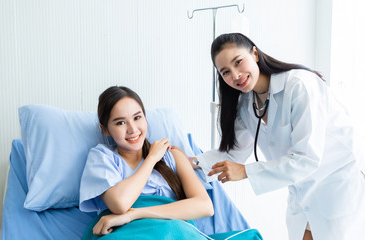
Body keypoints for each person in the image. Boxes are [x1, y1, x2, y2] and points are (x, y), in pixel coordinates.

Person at [193, 33, 365, 240]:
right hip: (302, 187)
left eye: (238, 62)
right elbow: (235, 152)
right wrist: (193, 162)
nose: (236, 75)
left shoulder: (299, 85)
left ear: (254, 53)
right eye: (226, 72)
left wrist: (246, 172)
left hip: (337, 180)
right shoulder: (246, 103)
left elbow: (307, 157)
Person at [79, 86, 214, 237]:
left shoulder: (173, 156)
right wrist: (151, 159)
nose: (132, 129)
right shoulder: (102, 157)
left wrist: (134, 214)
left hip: (171, 230)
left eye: (137, 118)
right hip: (124, 232)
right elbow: (120, 204)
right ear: (105, 129)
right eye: (120, 123)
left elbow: (205, 206)